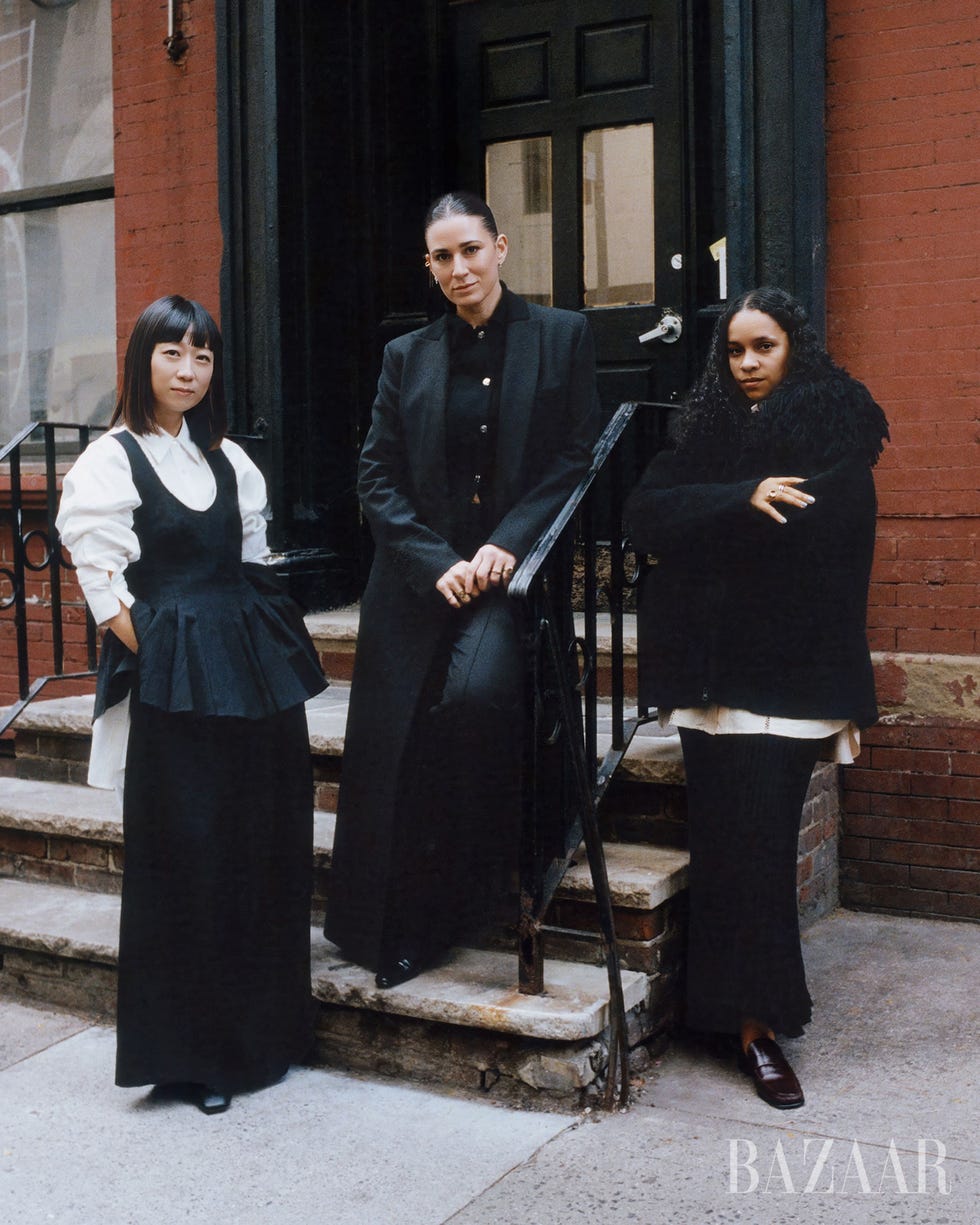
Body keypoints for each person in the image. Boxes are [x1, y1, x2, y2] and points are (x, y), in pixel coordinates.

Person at [57, 295, 327, 1115]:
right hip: (178, 683)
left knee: (263, 841)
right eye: (172, 353)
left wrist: (231, 653)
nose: (188, 370)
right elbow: (107, 591)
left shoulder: (229, 461)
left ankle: (264, 1037)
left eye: (202, 356)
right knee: (192, 856)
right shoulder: (111, 462)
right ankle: (195, 1055)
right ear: (142, 359)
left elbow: (249, 563)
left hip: (249, 675)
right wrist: (176, 657)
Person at [326, 191, 599, 988]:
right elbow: (375, 474)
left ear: (501, 248)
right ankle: (391, 933)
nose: (458, 269)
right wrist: (430, 558)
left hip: (505, 583)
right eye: (441, 257)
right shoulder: (406, 356)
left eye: (470, 251)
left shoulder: (562, 336)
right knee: (395, 743)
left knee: (474, 702)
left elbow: (575, 457)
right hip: (416, 580)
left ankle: (472, 891)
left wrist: (506, 546)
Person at [624, 287, 888, 1109]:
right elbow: (641, 514)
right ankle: (731, 1017)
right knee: (723, 842)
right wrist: (736, 499)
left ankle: (760, 1027)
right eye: (734, 350)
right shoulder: (705, 431)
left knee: (762, 849)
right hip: (713, 680)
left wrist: (703, 542)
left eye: (762, 347)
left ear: (792, 347)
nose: (746, 365)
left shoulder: (836, 428)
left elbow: (815, 539)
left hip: (791, 675)